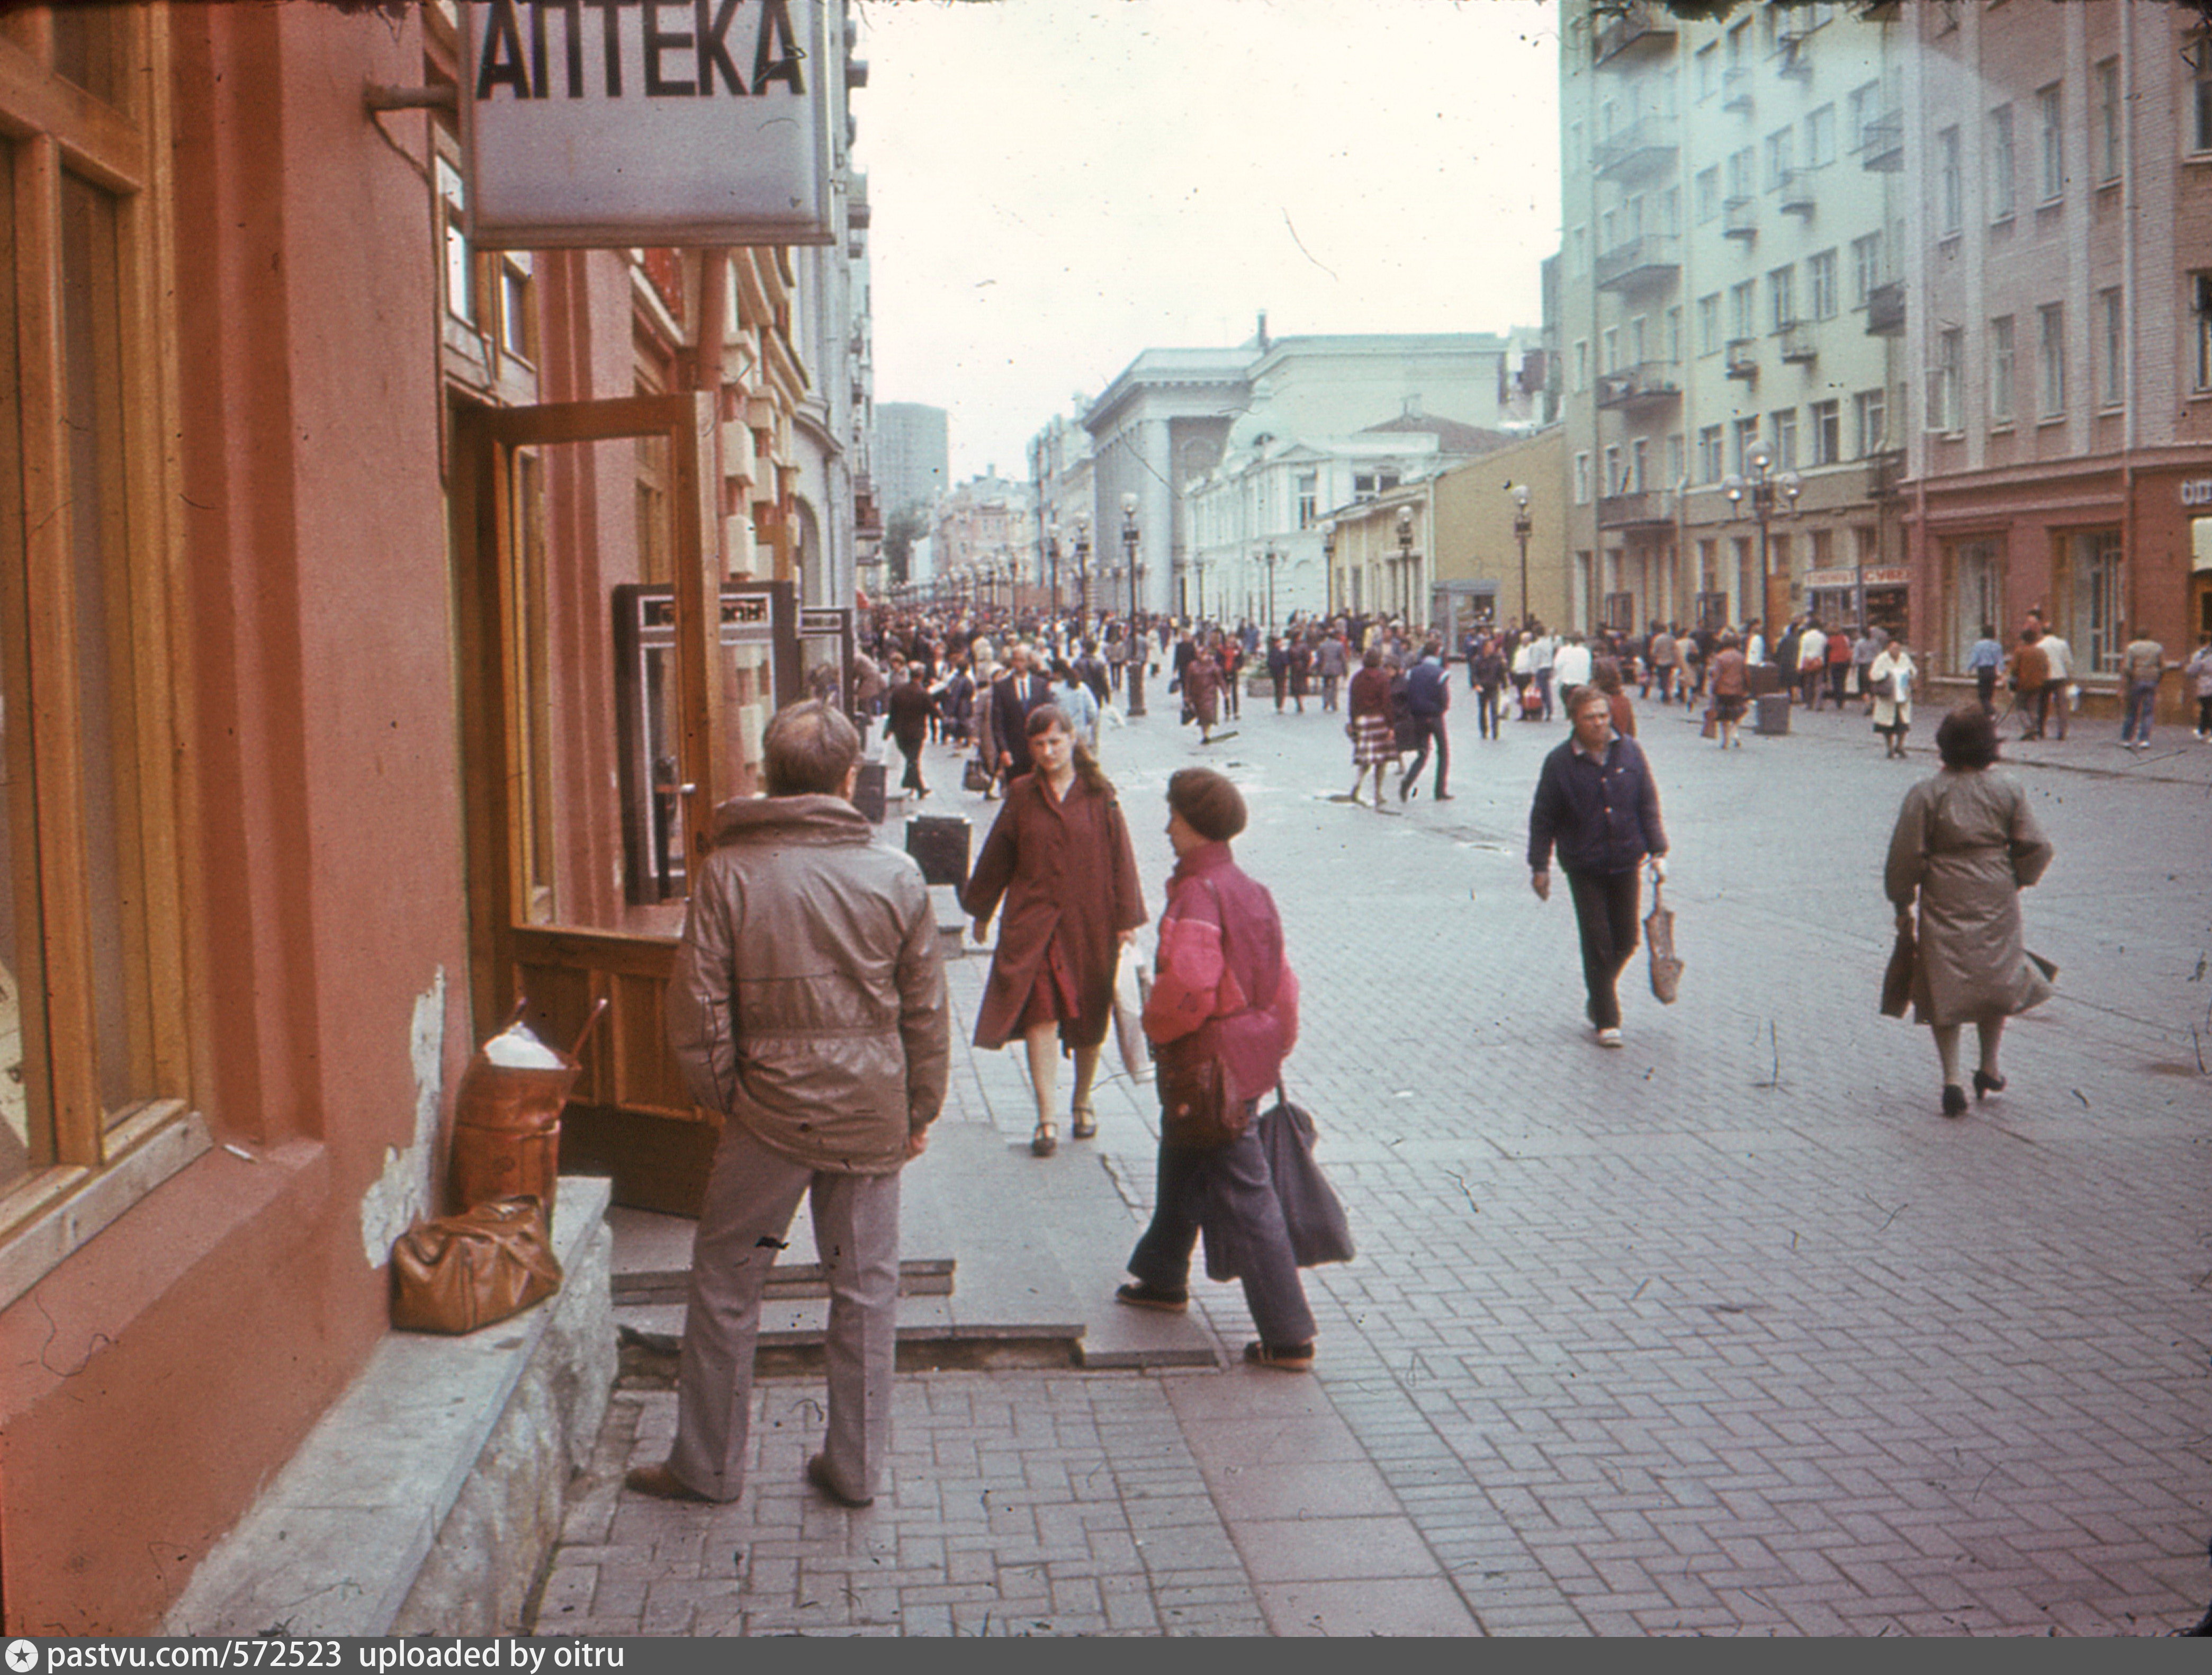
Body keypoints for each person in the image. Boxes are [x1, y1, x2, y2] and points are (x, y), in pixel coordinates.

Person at [631, 701, 948, 1509]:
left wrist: (725, 1094)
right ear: (849, 778)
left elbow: (698, 1006)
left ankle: (706, 1465)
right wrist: (920, 1105)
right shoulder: (895, 875)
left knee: (729, 1284)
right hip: (868, 1110)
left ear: (767, 776)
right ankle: (855, 1468)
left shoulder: (730, 874)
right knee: (866, 1290)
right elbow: (924, 1010)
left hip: (767, 1113)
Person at [1116, 768, 1316, 1371]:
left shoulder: (1197, 893)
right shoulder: (1248, 888)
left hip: (1206, 1061)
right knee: (1183, 1152)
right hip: (1245, 1054)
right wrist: (1270, 1044)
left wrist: (1150, 1023)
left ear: (1194, 822)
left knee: (1242, 1185)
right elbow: (1283, 983)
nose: (1166, 826)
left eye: (1173, 814)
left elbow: (1191, 987)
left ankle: (1288, 1334)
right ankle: (1162, 1274)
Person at [961, 704, 1146, 1157]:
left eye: (1055, 742)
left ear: (1072, 739)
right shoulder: (1022, 794)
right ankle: (1046, 1115)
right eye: (1039, 744)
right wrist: (982, 910)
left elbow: (1122, 858)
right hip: (1035, 922)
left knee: (1088, 1015)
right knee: (1041, 1011)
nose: (1048, 751)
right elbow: (998, 854)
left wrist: (1127, 921)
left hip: (1092, 920)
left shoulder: (1100, 794)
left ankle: (1082, 1100)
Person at [1883, 706, 2054, 1118]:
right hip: (1995, 889)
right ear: (1989, 746)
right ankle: (1990, 1066)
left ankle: (1952, 1079)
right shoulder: (2008, 788)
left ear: (1944, 745)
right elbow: (2038, 846)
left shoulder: (1925, 792)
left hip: (1944, 891)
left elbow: (1905, 854)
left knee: (1945, 981)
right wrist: (2017, 878)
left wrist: (1902, 900)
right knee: (1995, 975)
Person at [1527, 686, 1668, 1049]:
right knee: (1598, 941)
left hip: (1625, 859)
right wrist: (1539, 866)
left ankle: (1597, 992)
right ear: (1575, 720)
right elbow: (1543, 817)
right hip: (1584, 863)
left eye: (1604, 715)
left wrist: (1658, 849)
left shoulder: (1630, 751)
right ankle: (1607, 1018)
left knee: (1628, 939)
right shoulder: (1559, 762)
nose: (1600, 723)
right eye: (1590, 717)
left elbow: (1647, 801)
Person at [1398, 640, 1453, 801]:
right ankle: (1440, 790)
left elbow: (1407, 693)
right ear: (1437, 653)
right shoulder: (1440, 673)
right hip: (1435, 717)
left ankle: (1407, 782)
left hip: (1418, 717)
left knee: (1422, 753)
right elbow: (1444, 698)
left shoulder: (1413, 672)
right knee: (1443, 752)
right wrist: (1440, 710)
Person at [1346, 643, 1398, 809]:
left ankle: (1357, 784)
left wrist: (1353, 722)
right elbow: (1386, 703)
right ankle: (1378, 793)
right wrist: (1391, 726)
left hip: (1362, 721)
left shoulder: (1357, 678)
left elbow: (1352, 703)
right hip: (1379, 721)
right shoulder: (1383, 678)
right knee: (1381, 760)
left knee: (1365, 758)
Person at [886, 663, 935, 800]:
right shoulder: (923, 694)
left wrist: (889, 729)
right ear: (921, 677)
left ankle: (916, 786)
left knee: (911, 759)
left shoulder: (898, 692)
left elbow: (892, 713)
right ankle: (918, 786)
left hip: (900, 732)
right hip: (917, 733)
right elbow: (933, 711)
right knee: (913, 759)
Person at [2118, 626, 2166, 750]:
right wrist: (2158, 678)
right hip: (2152, 680)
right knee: (2148, 711)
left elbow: (2127, 667)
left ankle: (2127, 739)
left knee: (2132, 711)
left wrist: (2129, 679)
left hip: (2136, 680)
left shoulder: (2132, 648)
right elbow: (2163, 666)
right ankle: (2144, 739)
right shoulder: (2157, 648)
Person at [1868, 637, 1917, 758]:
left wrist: (1908, 673)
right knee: (1887, 726)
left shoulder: (1904, 658)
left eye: (1898, 648)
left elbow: (1913, 671)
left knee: (1903, 724)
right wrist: (1886, 674)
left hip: (1902, 695)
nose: (1896, 651)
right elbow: (1873, 675)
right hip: (1888, 696)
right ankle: (1889, 748)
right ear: (1888, 648)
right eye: (1894, 648)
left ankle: (1900, 746)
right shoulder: (1882, 659)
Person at [1708, 631, 1750, 749]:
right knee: (1738, 712)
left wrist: (1713, 688)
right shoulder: (1741, 657)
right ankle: (1735, 732)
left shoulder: (1720, 657)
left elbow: (1717, 676)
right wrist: (1748, 687)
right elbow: (1746, 673)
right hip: (1738, 689)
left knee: (1724, 716)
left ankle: (1725, 739)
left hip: (1723, 690)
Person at [2008, 630, 2052, 739]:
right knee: (2033, 707)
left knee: (2021, 707)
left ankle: (2028, 728)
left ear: (2024, 640)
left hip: (2023, 684)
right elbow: (2046, 667)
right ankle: (2034, 728)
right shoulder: (2041, 652)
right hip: (2038, 684)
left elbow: (2014, 668)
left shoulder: (2020, 652)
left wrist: (2012, 680)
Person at [2037, 625, 2073, 740]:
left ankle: (2041, 729)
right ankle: (2062, 731)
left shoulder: (2040, 645)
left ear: (2042, 633)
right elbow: (2068, 661)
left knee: (2043, 704)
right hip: (2060, 676)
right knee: (2062, 705)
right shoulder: (2062, 644)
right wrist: (2070, 676)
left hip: (2045, 677)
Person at [1471, 633, 1507, 740]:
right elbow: (1474, 675)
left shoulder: (1497, 659)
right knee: (1483, 710)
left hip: (1493, 686)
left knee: (1494, 710)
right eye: (1489, 646)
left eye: (1492, 646)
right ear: (1484, 648)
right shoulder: (1478, 660)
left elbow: (1501, 672)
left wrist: (1504, 684)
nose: (1492, 648)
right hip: (1482, 688)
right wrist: (1477, 685)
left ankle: (1495, 731)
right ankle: (1484, 731)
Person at [1965, 624, 2004, 716]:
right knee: (1990, 694)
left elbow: (1974, 659)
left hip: (1983, 671)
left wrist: (1968, 670)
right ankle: (1988, 716)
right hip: (1992, 671)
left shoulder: (1978, 645)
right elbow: (2000, 661)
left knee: (1982, 696)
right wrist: (2002, 674)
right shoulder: (1997, 646)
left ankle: (1992, 711)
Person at [1316, 627, 1347, 712]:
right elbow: (1343, 659)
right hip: (1335, 668)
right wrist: (1345, 670)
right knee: (1334, 686)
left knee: (1325, 685)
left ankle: (1325, 701)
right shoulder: (1339, 645)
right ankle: (1334, 702)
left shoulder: (1322, 645)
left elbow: (1319, 658)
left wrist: (1318, 668)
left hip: (1325, 667)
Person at [2189, 633, 2212, 741]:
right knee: (2207, 709)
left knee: (2206, 708)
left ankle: (2203, 731)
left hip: (2205, 684)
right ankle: (2202, 730)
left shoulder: (2200, 655)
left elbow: (2192, 670)